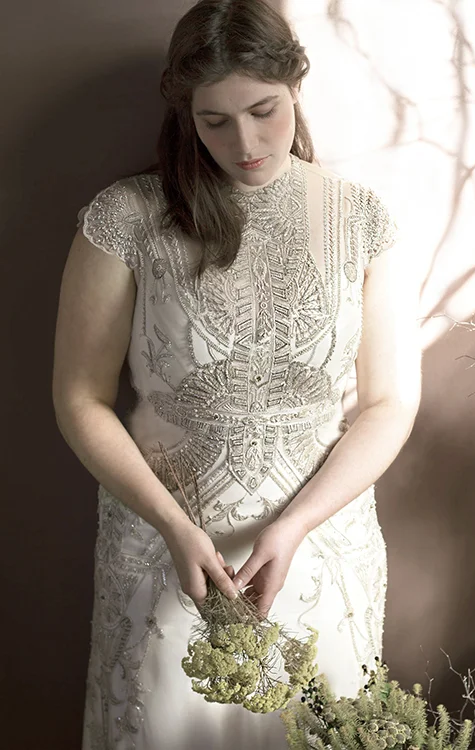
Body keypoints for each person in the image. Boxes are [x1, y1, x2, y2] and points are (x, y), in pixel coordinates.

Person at [52, 0, 422, 748]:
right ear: (185, 113)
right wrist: (172, 525)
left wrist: (296, 525)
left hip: (318, 544)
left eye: (263, 111)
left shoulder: (361, 219)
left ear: (295, 88)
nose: (245, 143)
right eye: (214, 120)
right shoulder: (126, 217)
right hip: (166, 548)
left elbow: (390, 401)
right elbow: (79, 396)